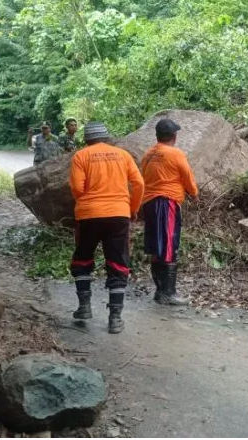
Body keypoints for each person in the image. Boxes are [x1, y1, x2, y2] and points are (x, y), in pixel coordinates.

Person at [68, 122, 145, 334]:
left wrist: (86, 204)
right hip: (119, 215)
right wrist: (133, 208)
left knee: (82, 258)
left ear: (87, 140)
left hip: (88, 216)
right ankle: (115, 318)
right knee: (118, 262)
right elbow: (139, 184)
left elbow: (76, 187)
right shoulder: (122, 155)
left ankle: (84, 308)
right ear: (107, 138)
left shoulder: (81, 156)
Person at [140, 119, 198, 305]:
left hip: (149, 203)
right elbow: (187, 177)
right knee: (168, 244)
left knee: (157, 247)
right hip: (166, 202)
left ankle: (160, 291)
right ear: (174, 136)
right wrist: (195, 194)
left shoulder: (148, 154)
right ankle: (168, 293)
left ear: (157, 136)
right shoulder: (175, 153)